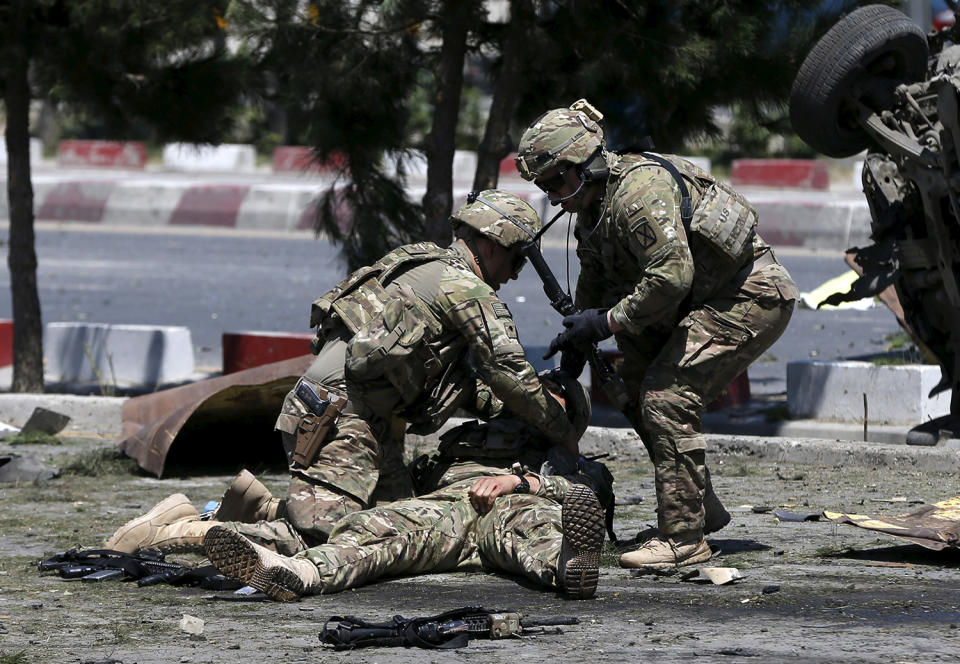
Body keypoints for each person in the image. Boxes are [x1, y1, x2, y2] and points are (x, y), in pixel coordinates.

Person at [104, 190, 577, 556]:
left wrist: (507, 405)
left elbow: (460, 384)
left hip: (353, 421)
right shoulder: (467, 291)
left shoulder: (418, 265)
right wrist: (559, 428)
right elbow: (510, 371)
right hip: (342, 423)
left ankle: (249, 505)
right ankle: (176, 532)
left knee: (390, 530)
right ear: (493, 244)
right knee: (325, 540)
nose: (515, 275)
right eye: (517, 260)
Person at [515, 99, 799, 569]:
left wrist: (603, 322)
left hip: (749, 295)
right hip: (694, 302)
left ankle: (684, 539)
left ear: (584, 164)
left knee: (667, 396)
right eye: (545, 188)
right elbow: (595, 280)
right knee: (633, 384)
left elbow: (670, 278)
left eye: (557, 183)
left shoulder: (639, 193)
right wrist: (578, 341)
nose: (554, 197)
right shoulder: (594, 205)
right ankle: (699, 508)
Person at [202, 374, 610, 601]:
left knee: (535, 528)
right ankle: (288, 566)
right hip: (455, 508)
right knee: (377, 526)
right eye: (536, 395)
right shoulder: (482, 436)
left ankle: (569, 568)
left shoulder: (567, 459)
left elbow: (587, 489)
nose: (538, 407)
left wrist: (522, 481)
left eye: (553, 402)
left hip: (515, 504)